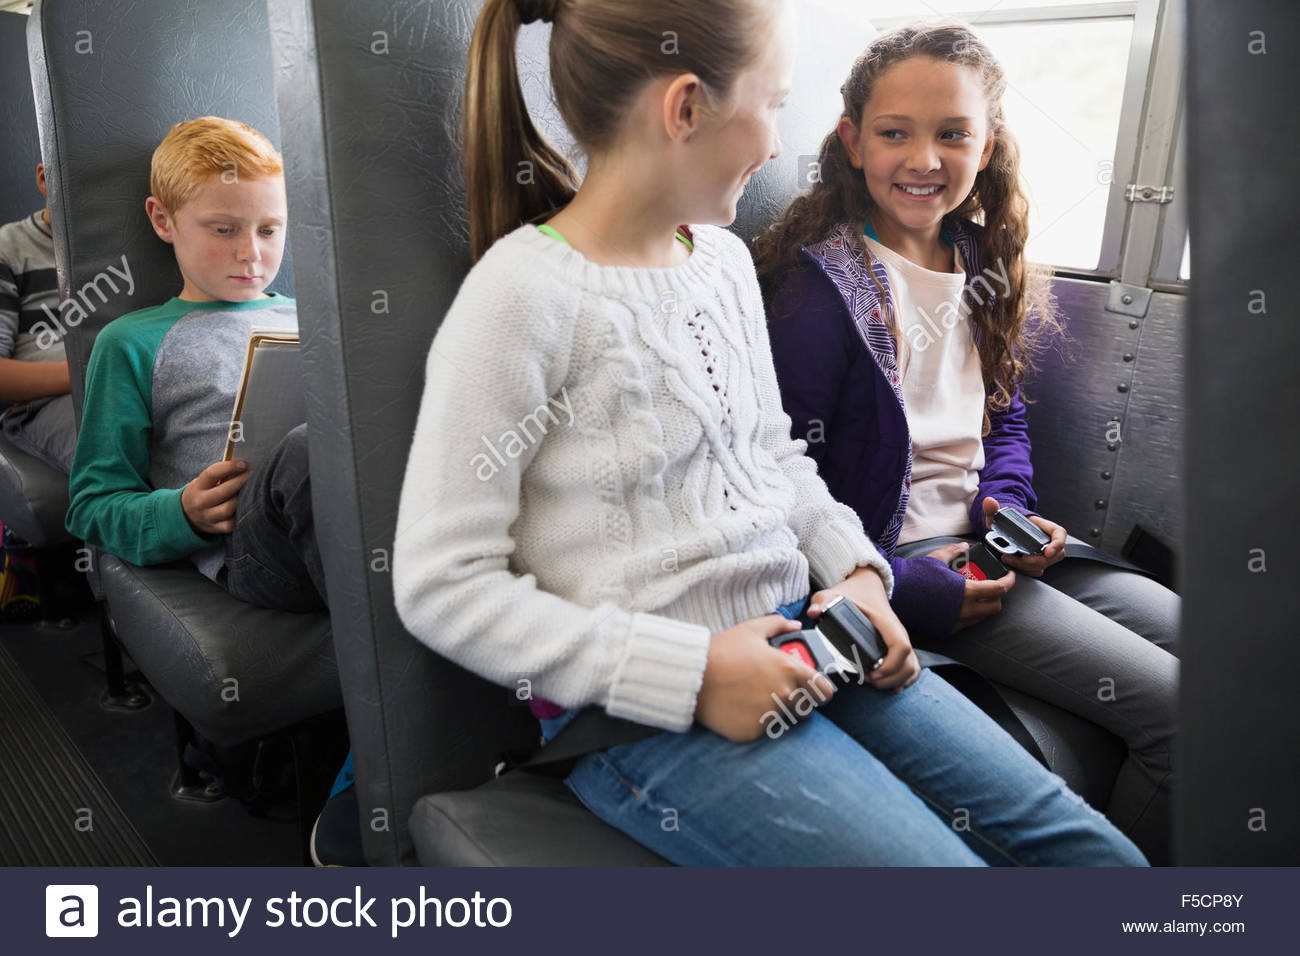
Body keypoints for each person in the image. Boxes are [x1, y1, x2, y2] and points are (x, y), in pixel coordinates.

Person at [390, 0, 1146, 866]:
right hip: (643, 712)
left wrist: (859, 575)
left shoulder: (716, 263)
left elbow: (772, 457)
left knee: (1098, 861)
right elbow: (441, 585)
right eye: (772, 104)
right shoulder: (521, 296)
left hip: (810, 626)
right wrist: (698, 675)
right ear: (685, 109)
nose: (779, 144)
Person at [753, 22, 1178, 863]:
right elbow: (783, 474)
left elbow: (1002, 419)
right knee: (1176, 711)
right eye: (895, 133)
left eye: (953, 134)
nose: (924, 158)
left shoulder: (980, 258)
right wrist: (903, 582)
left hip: (990, 542)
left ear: (987, 146)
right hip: (907, 561)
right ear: (851, 142)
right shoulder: (818, 287)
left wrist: (1008, 505)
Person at [65, 117, 325, 614]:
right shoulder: (131, 341)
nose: (251, 253)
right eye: (224, 229)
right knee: (308, 447)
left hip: (353, 516)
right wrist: (182, 512)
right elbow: (91, 507)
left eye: (269, 230)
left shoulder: (314, 318)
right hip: (254, 548)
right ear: (164, 221)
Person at [0, 162, 76, 620]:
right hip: (43, 402)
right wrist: (89, 374)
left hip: (136, 382)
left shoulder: (137, 243)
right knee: (112, 434)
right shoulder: (11, 249)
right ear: (45, 178)